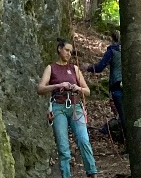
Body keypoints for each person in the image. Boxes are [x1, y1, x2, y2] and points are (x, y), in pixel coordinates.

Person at [37, 37, 98, 178]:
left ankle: (92, 172)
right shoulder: (51, 68)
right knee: (64, 147)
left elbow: (87, 91)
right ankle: (66, 175)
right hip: (58, 108)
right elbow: (40, 88)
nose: (69, 53)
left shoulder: (74, 69)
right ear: (59, 49)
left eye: (71, 51)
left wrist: (77, 88)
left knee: (84, 140)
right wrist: (58, 86)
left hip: (75, 107)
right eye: (66, 50)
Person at [86, 26, 125, 141]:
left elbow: (99, 67)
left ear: (111, 38)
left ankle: (127, 143)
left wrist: (88, 67)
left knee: (122, 115)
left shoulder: (112, 50)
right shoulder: (129, 51)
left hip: (117, 85)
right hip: (129, 86)